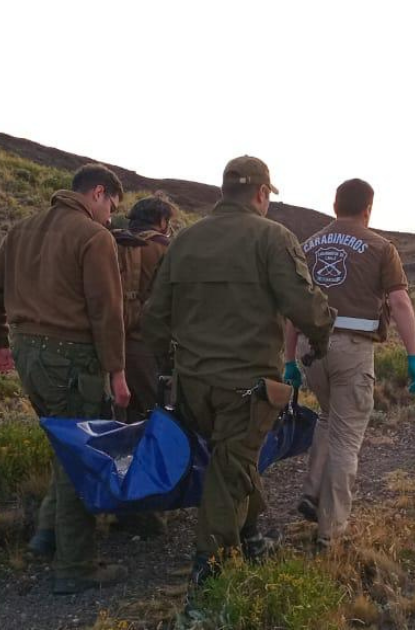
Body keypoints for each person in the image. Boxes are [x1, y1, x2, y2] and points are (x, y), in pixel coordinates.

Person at [142, 156, 335, 585]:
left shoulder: (185, 240)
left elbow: (153, 319)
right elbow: (306, 307)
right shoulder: (273, 238)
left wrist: (171, 366)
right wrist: (321, 337)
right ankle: (206, 579)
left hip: (192, 385)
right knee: (229, 473)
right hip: (248, 387)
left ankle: (250, 538)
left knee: (235, 460)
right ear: (262, 194)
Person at [0, 163, 131, 595]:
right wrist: (117, 373)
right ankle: (76, 567)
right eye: (111, 207)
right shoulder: (93, 236)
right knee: (80, 455)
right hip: (71, 360)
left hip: (29, 355)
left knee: (63, 446)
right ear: (97, 193)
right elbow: (107, 311)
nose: (111, 218)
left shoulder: (22, 229)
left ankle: (46, 536)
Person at [283, 178, 415, 550]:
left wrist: (288, 360)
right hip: (352, 349)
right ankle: (331, 532)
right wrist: (413, 356)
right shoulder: (380, 247)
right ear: (368, 209)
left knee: (330, 418)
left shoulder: (308, 246)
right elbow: (400, 303)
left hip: (312, 351)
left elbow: (292, 309)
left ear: (334, 206)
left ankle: (312, 492)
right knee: (347, 437)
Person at [110, 193, 177, 538]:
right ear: (162, 221)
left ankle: (107, 504)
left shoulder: (109, 241)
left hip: (104, 345)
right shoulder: (164, 249)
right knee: (150, 425)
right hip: (146, 349)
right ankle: (148, 513)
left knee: (111, 427)